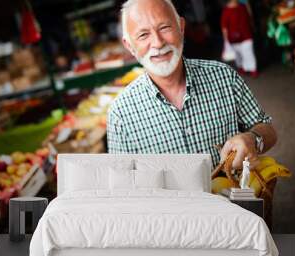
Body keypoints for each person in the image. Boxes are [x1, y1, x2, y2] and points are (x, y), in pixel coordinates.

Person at [107, 0, 277, 170]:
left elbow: (268, 130)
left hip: (233, 196)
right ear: (129, 45)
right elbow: (124, 185)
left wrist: (253, 139)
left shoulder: (224, 77)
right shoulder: (120, 114)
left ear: (181, 27)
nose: (158, 43)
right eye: (143, 35)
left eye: (165, 28)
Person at [221, 0, 258, 77]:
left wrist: (253, 27)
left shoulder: (243, 7)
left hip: (246, 35)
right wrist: (226, 41)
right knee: (238, 55)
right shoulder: (226, 11)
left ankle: (253, 69)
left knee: (248, 52)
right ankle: (242, 67)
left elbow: (249, 18)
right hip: (233, 38)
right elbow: (224, 27)